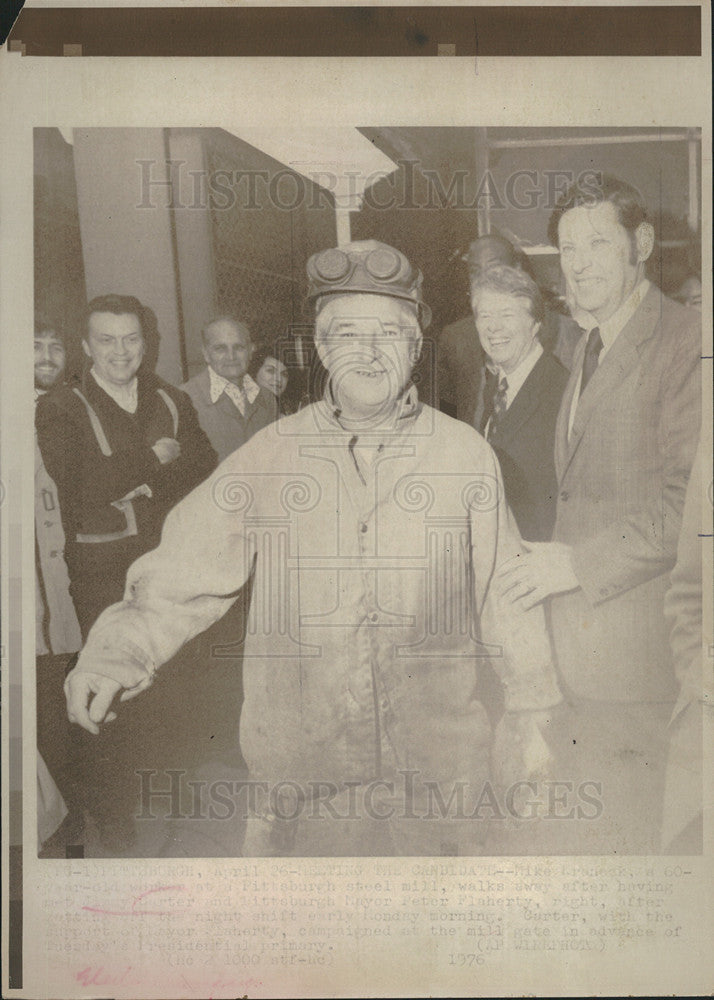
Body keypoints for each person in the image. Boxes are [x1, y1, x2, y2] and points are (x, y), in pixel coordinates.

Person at [64, 240, 563, 858]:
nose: (369, 352)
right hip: (308, 784)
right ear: (323, 349)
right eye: (347, 335)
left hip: (438, 785)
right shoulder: (273, 454)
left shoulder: (464, 457)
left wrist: (533, 714)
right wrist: (113, 655)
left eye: (389, 333)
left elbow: (506, 593)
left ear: (414, 348)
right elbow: (179, 570)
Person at [495, 175, 701, 853]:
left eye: (596, 243)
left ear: (640, 243)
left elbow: (691, 504)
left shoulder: (686, 340)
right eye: (565, 247)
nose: (577, 262)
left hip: (643, 662)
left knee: (636, 844)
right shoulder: (588, 343)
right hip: (583, 655)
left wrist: (576, 564)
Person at [36, 293, 218, 850]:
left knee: (172, 683)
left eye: (131, 339)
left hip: (165, 565)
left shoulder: (167, 396)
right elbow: (82, 486)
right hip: (100, 568)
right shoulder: (61, 406)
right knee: (105, 691)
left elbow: (204, 467)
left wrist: (133, 481)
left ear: (147, 341)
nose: (121, 351)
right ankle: (113, 814)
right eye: (107, 340)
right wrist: (154, 461)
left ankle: (173, 794)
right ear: (87, 347)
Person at [438, 234, 579, 424]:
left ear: (518, 269)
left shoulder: (567, 333)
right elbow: (447, 414)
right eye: (474, 271)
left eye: (494, 267)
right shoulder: (455, 338)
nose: (485, 277)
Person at [471, 265, 568, 542]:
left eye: (507, 315)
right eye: (485, 315)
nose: (493, 327)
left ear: (536, 323)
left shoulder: (561, 389)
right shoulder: (494, 387)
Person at [181, 316, 277, 462]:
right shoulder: (183, 398)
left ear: (251, 350)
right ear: (206, 354)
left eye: (239, 347)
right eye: (220, 349)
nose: (231, 356)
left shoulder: (267, 398)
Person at [248, 342, 294, 415]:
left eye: (284, 374)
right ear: (255, 372)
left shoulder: (287, 410)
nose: (279, 379)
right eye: (271, 371)